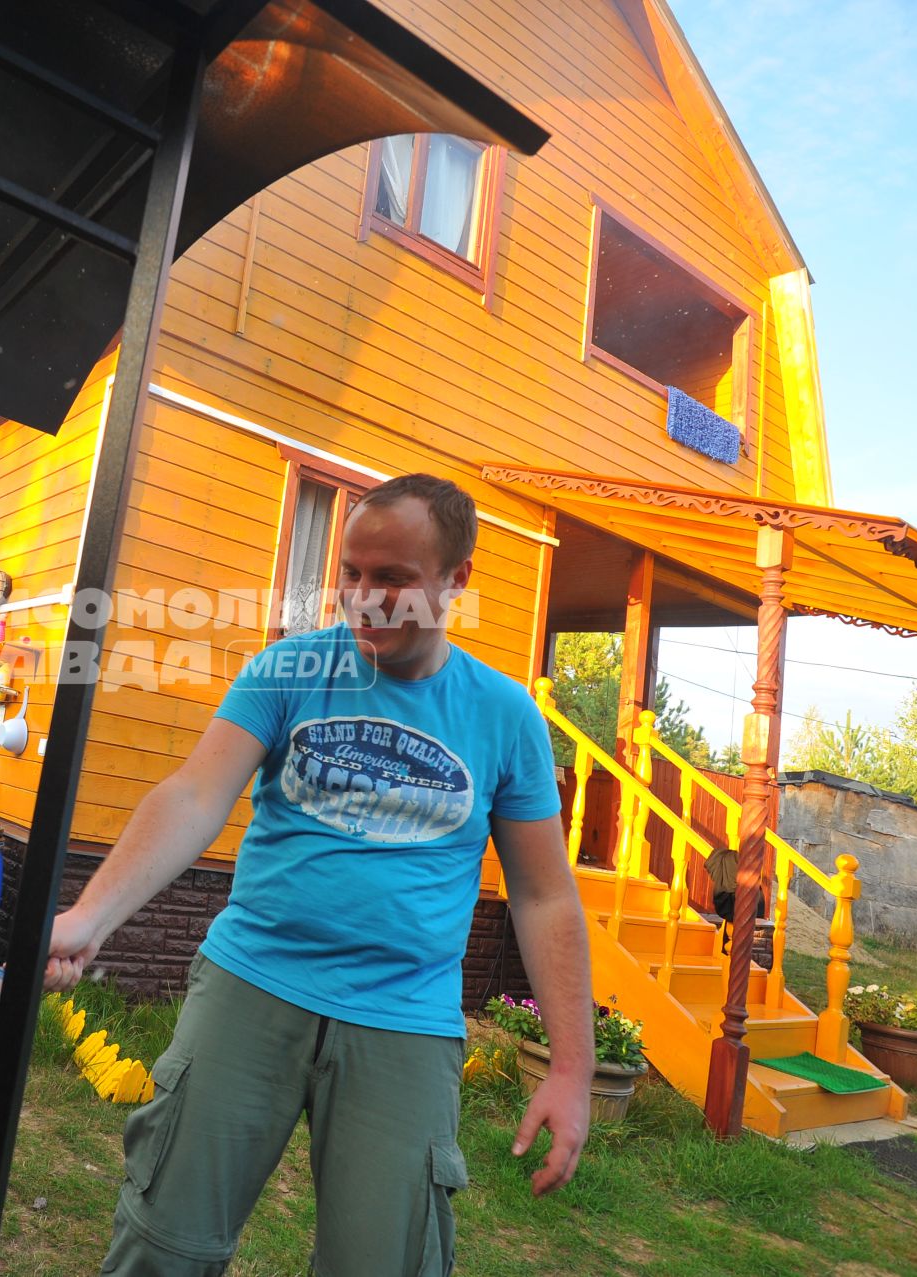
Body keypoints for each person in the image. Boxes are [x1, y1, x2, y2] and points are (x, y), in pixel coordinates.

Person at [45, 473, 594, 1276]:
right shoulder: (287, 670)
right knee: (162, 1248)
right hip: (252, 984)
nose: (365, 597)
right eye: (351, 573)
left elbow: (545, 897)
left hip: (405, 1021)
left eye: (395, 578)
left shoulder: (505, 716)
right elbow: (195, 794)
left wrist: (574, 1066)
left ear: (456, 581)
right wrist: (91, 916)